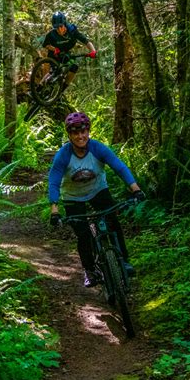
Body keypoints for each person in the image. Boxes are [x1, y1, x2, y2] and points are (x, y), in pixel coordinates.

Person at [48, 112, 145, 288]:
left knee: (113, 222)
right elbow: (54, 181)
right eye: (75, 133)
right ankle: (90, 270)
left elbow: (119, 167)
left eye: (83, 131)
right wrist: (54, 208)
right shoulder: (63, 155)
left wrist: (135, 189)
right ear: (69, 135)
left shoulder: (98, 148)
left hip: (98, 190)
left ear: (88, 131)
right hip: (73, 197)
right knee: (83, 235)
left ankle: (124, 260)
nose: (80, 136)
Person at [42, 11, 97, 92]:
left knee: (74, 67)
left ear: (64, 24)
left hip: (65, 53)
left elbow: (86, 41)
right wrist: (54, 49)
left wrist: (93, 51)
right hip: (54, 54)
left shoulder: (72, 31)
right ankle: (38, 88)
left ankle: (62, 90)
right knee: (54, 71)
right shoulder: (51, 34)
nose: (59, 30)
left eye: (61, 26)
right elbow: (45, 45)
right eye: (56, 27)